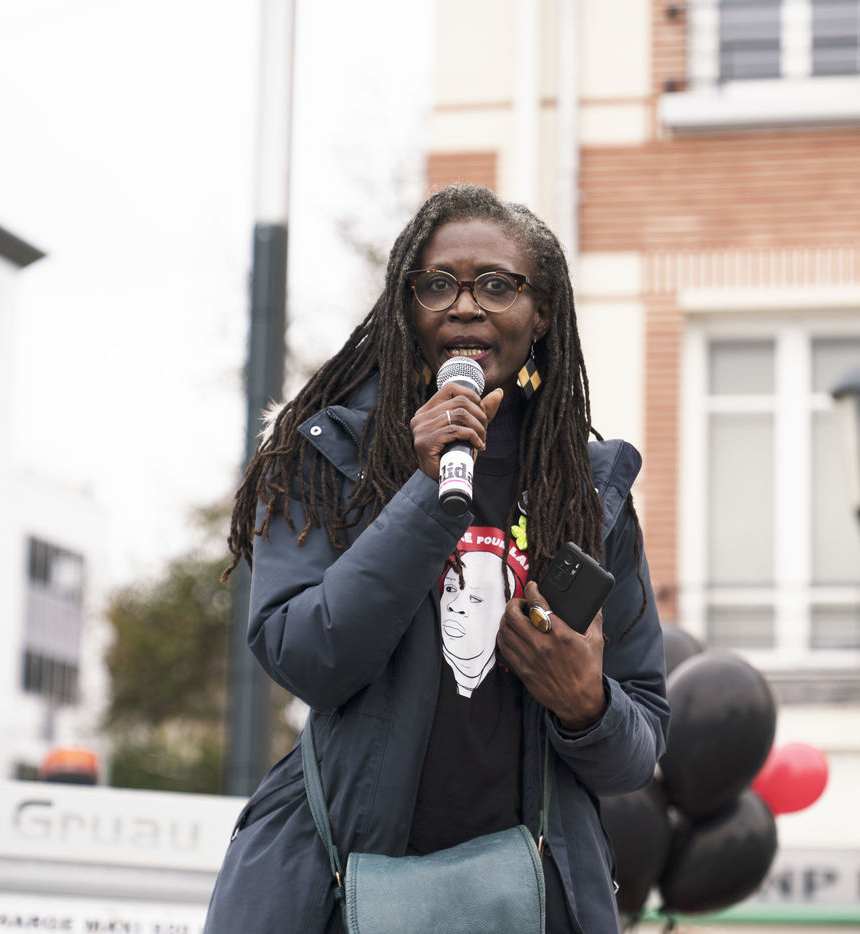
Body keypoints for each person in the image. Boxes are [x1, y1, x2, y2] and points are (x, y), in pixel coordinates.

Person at [204, 184, 669, 934]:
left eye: (497, 286)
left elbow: (633, 758)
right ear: (406, 306)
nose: (465, 307)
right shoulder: (327, 459)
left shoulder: (587, 492)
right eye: (437, 285)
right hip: (337, 895)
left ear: (542, 312)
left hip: (529, 905)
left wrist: (587, 705)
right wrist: (426, 491)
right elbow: (307, 657)